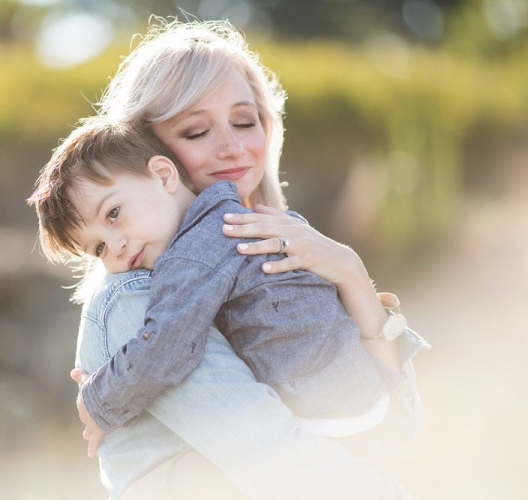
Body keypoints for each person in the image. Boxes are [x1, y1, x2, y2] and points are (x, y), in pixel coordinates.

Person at [39, 17, 428, 499]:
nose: (232, 147)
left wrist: (352, 275)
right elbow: (272, 455)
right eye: (197, 131)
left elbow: (397, 430)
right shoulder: (133, 291)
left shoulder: (277, 242)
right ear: (150, 152)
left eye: (245, 122)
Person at [30, 119, 411, 447]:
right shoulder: (246, 218)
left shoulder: (191, 253)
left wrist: (99, 403)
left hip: (331, 420)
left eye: (113, 214)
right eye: (97, 248)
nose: (115, 247)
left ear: (163, 175)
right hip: (370, 392)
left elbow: (167, 347)